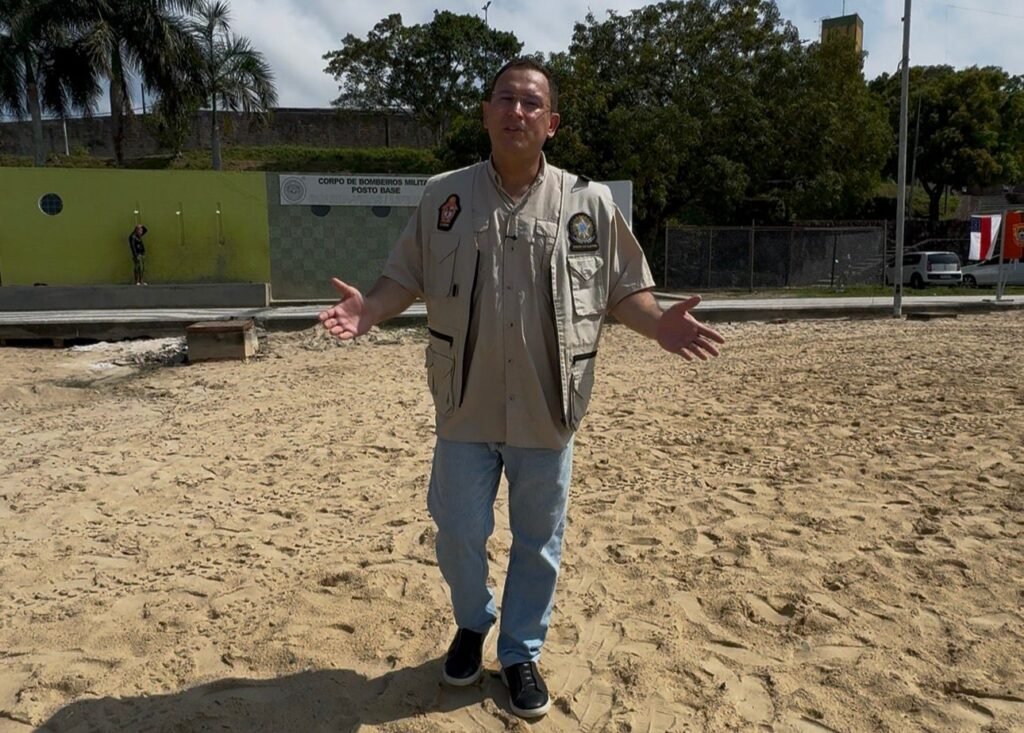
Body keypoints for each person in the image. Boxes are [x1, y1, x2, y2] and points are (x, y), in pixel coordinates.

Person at [319, 57, 725, 719]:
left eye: (532, 103)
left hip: (547, 407)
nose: (517, 111)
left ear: (552, 123)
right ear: (485, 114)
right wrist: (370, 310)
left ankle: (518, 651)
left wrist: (658, 324)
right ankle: (472, 622)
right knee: (458, 529)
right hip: (465, 406)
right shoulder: (443, 198)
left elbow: (623, 289)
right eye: (505, 99)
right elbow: (405, 278)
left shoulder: (589, 203)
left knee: (538, 542)